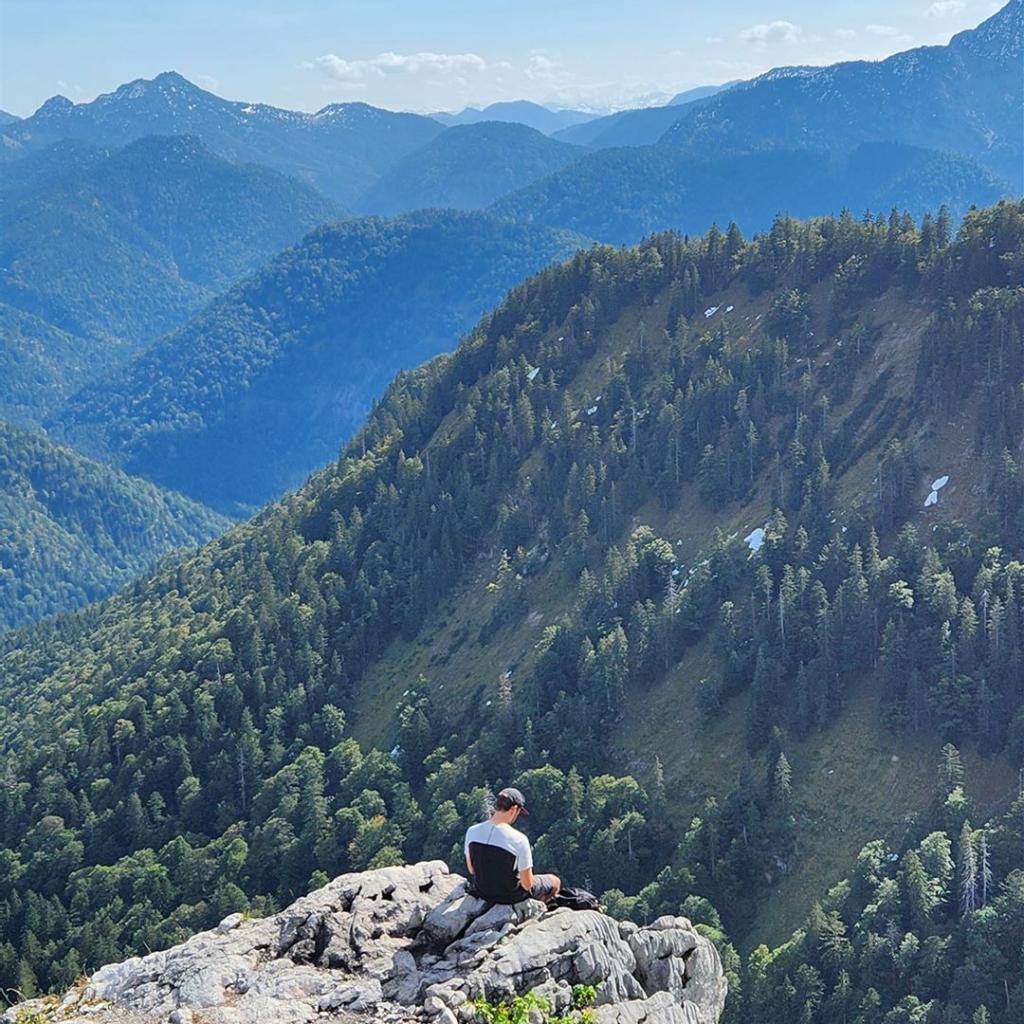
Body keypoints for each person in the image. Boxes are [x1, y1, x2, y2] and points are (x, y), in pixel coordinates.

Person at [464, 787, 561, 904]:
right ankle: (545, 908)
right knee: (555, 881)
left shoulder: (472, 831)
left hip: (482, 891)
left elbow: (472, 869)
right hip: (508, 897)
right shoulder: (519, 839)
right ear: (514, 809)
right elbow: (527, 884)